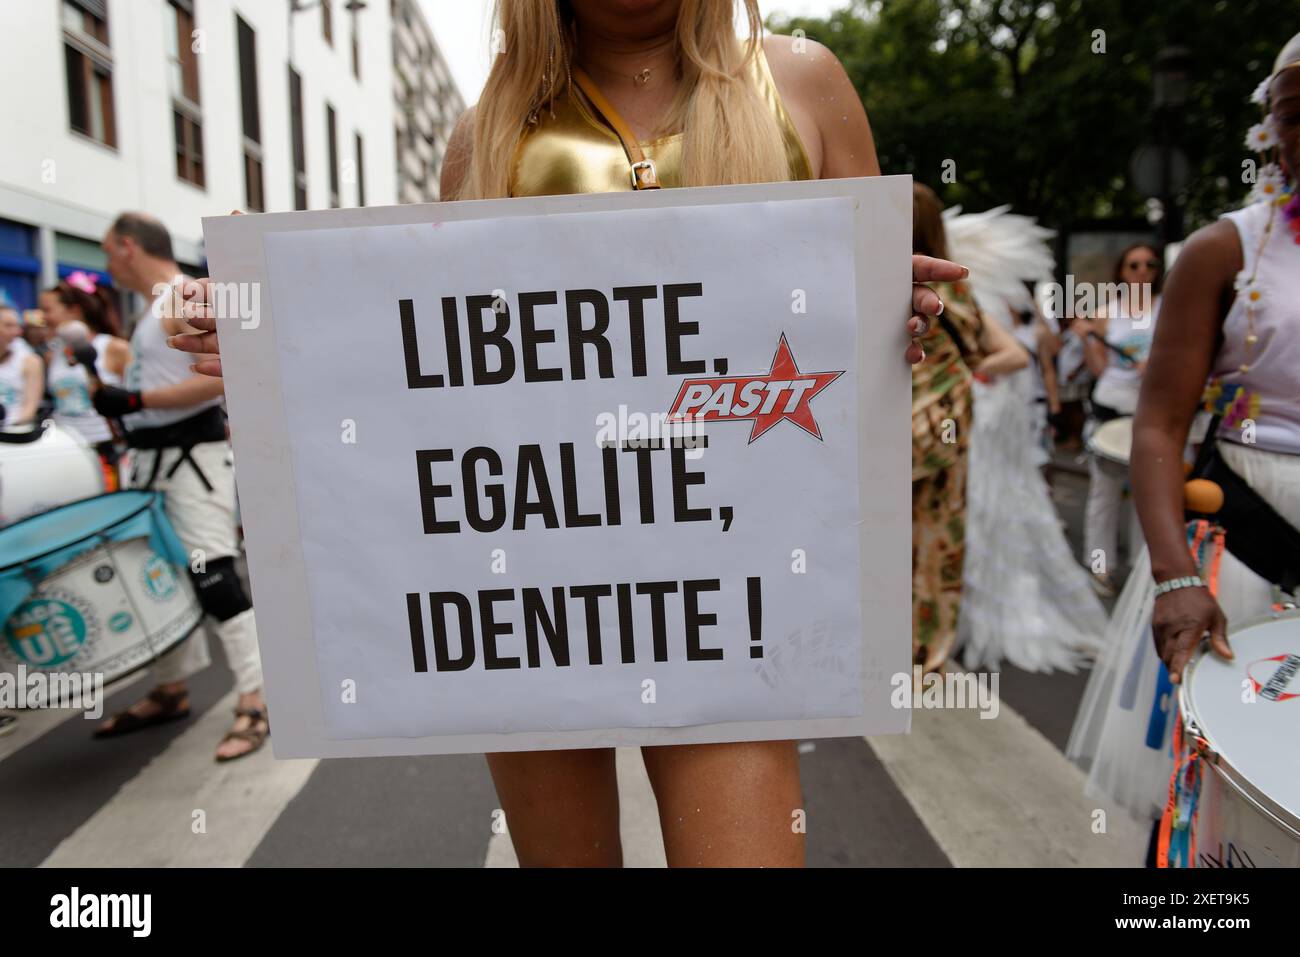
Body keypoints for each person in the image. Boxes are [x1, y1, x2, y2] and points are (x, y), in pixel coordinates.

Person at [170, 0, 965, 866]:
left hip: (734, 597)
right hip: (535, 599)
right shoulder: (489, 133)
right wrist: (281, 354)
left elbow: (857, 332)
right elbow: (436, 367)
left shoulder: (803, 82)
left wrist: (890, 314)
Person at [1068, 35, 1300, 865]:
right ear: (1271, 129)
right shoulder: (1223, 251)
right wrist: (1173, 577)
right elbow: (1159, 426)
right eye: (1295, 110)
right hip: (1244, 551)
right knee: (1221, 802)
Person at [89, 212, 268, 763]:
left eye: (106, 252)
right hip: (159, 463)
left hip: (189, 460)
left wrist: (136, 402)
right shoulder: (159, 304)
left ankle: (257, 699)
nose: (105, 264)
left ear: (126, 247)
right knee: (161, 578)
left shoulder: (176, 297)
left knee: (212, 574)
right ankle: (172, 687)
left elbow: (215, 377)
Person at [910, 184, 1028, 673]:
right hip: (943, 433)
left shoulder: (867, 280)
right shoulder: (954, 287)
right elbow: (1008, 353)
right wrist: (970, 371)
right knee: (938, 541)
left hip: (881, 431)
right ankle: (926, 655)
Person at [1073, 243, 1163, 596]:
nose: (1142, 270)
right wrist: (1086, 343)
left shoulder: (1168, 309)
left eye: (1149, 264)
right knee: (1103, 497)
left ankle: (1147, 576)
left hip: (1150, 415)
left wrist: (1157, 367)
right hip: (1110, 411)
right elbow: (1099, 369)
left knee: (1149, 499)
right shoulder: (1105, 312)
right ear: (1122, 272)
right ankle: (1099, 568)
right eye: (1134, 264)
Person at [43, 273, 130, 490]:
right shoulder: (52, 355)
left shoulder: (113, 348)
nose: (43, 318)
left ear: (74, 311)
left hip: (106, 452)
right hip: (67, 451)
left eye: (48, 310)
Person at [0, 306, 43, 429]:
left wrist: (9, 427)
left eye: (17, 326)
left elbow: (30, 408)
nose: (16, 332)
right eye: (8, 325)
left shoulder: (30, 361)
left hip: (15, 435)